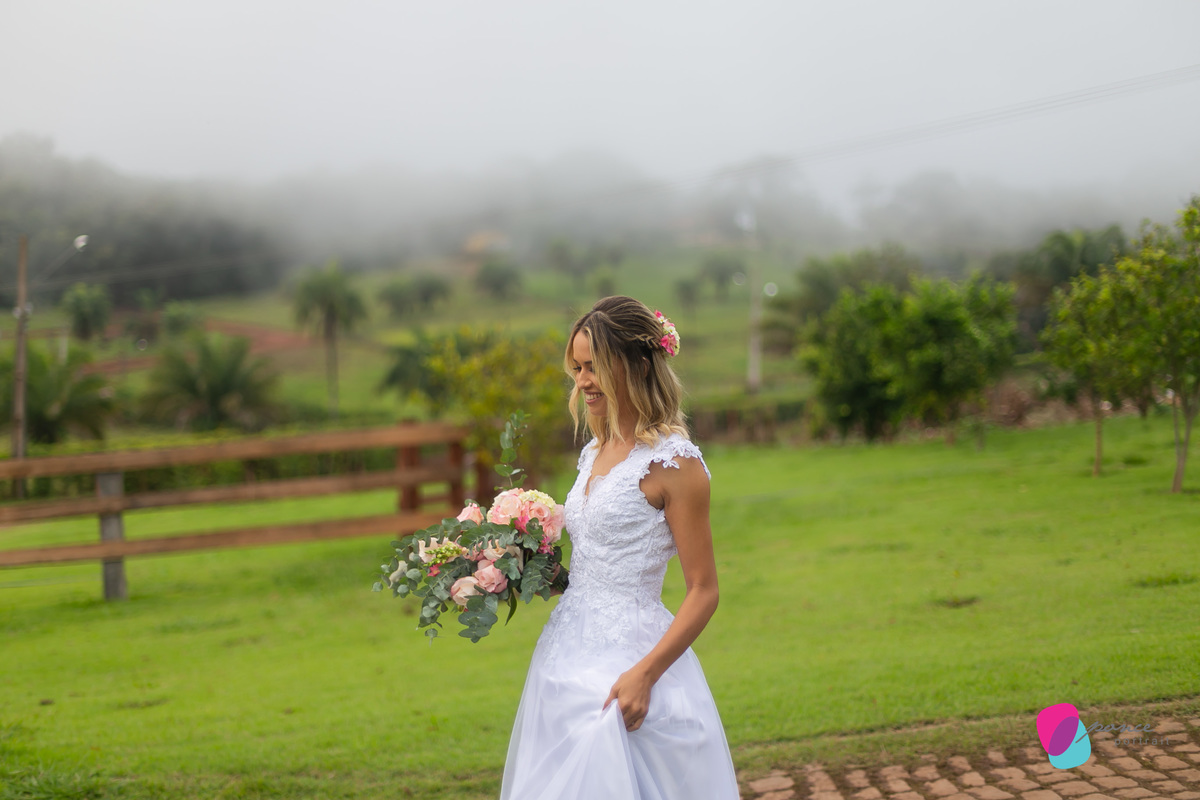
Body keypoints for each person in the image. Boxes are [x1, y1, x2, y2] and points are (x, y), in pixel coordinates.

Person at [500, 296, 739, 799]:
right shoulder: (594, 451)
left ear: (638, 365)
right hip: (563, 651)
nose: (583, 382)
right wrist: (514, 564)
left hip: (631, 656)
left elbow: (704, 590)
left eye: (595, 367)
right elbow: (594, 557)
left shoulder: (675, 464)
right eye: (578, 368)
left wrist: (645, 675)